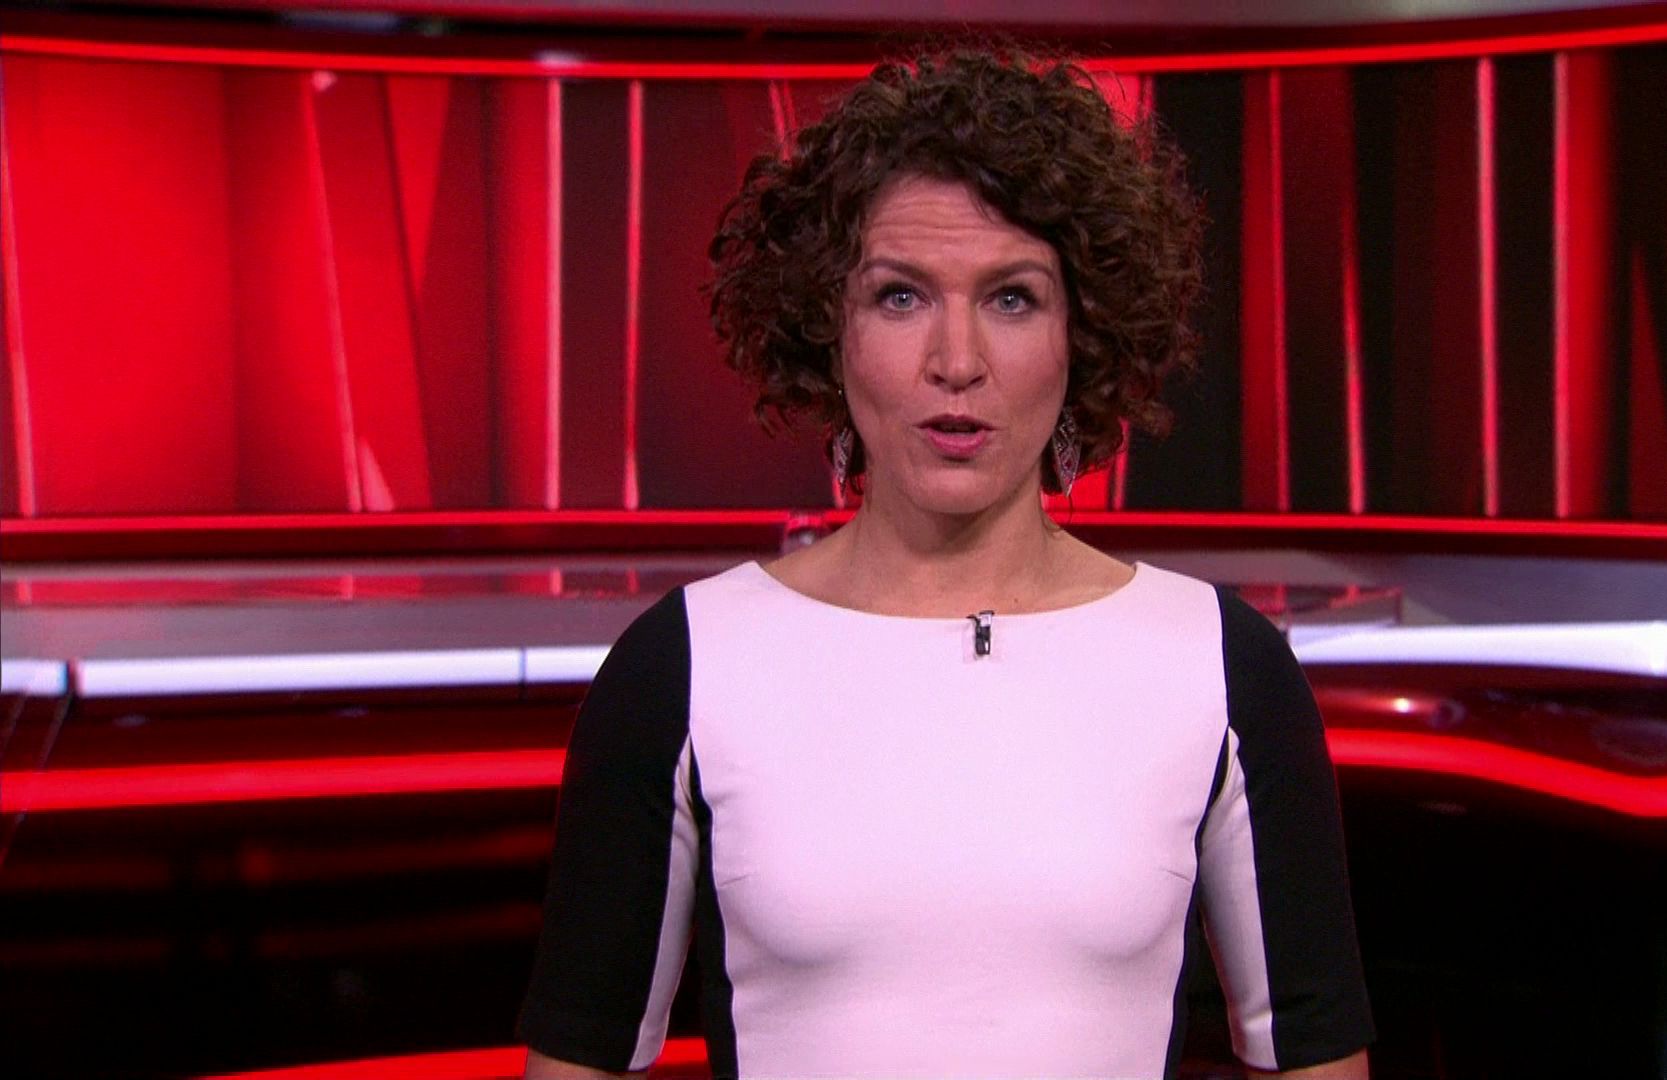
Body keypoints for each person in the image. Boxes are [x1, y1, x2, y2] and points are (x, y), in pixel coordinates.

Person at [517, 46, 1373, 1080]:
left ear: (1082, 332)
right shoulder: (684, 667)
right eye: (901, 297)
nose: (956, 362)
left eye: (1011, 298)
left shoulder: (1222, 665)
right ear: (826, 328)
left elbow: (1317, 1060)